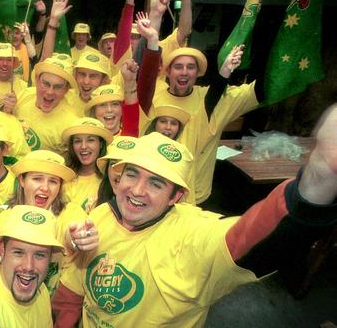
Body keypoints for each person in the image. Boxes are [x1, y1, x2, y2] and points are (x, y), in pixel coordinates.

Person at [52, 103, 337, 327]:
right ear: (118, 179)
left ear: (176, 197)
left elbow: (250, 236)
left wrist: (319, 178)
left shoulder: (192, 236)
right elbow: (70, 295)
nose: (137, 190)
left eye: (156, 183)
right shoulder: (103, 215)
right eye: (132, 174)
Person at [140, 44, 252, 204]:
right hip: (154, 189)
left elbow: (212, 99)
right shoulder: (154, 95)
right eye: (178, 67)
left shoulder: (206, 98)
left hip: (195, 194)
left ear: (197, 73)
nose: (184, 72)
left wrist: (226, 70)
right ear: (168, 72)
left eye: (190, 67)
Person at [0, 150, 99, 295]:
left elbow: (72, 230)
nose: (45, 188)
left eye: (53, 181)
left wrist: (77, 239)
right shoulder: (2, 221)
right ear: (22, 180)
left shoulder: (70, 213)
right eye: (37, 179)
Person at [0, 205, 65, 327]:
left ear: (50, 258)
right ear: (2, 250)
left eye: (39, 255)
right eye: (18, 252)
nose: (29, 266)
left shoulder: (42, 293)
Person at [14, 54, 79, 154]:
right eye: (46, 83)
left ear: (66, 90)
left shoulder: (71, 124)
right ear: (37, 80)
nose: (50, 92)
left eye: (58, 87)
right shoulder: (24, 95)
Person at [61, 118, 114, 213]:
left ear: (101, 144)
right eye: (77, 141)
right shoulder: (64, 177)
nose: (83, 146)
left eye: (90, 140)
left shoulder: (111, 178)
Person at [0, 42, 27, 113]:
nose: (5, 63)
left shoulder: (24, 87)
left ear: (14, 63)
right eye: (0, 59)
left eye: (9, 60)